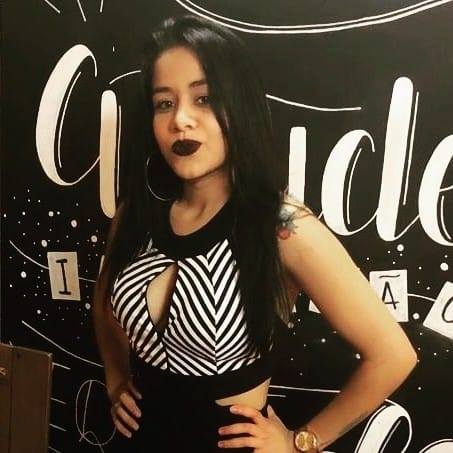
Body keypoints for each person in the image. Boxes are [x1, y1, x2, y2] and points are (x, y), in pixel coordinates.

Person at [92, 14, 417, 453]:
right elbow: (104, 304)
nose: (181, 120)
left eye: (204, 98)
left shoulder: (282, 227)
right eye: (164, 103)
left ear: (240, 105)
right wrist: (116, 378)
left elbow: (393, 355)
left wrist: (302, 442)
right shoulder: (136, 213)